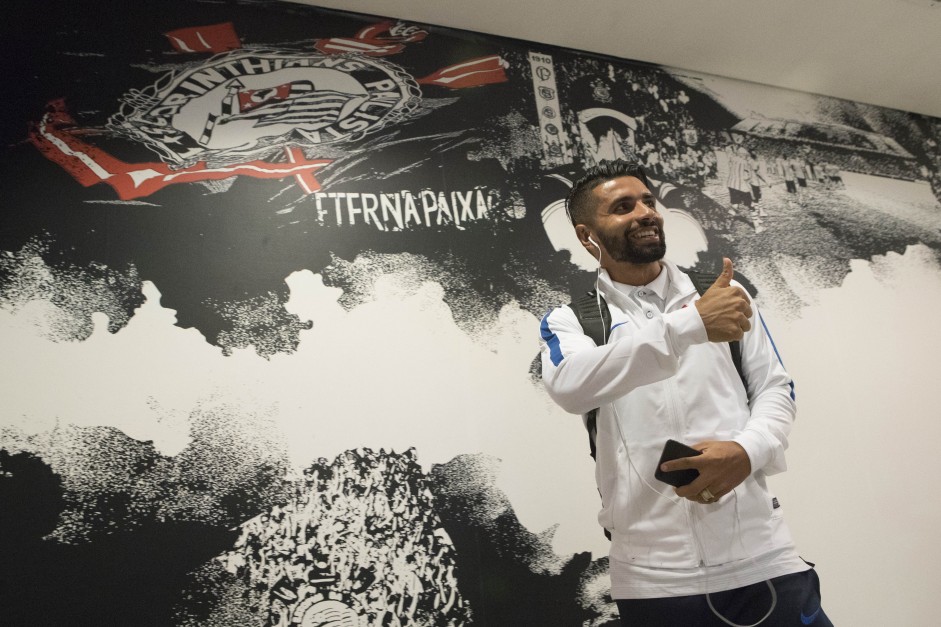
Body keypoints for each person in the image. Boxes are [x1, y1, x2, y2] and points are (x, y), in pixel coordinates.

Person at [539, 160, 831, 626]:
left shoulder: (724, 295)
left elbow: (775, 389)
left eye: (649, 202)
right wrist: (690, 326)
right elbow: (571, 387)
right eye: (622, 207)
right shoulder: (571, 320)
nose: (645, 213)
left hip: (762, 557)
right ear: (586, 235)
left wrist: (746, 450)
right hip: (653, 577)